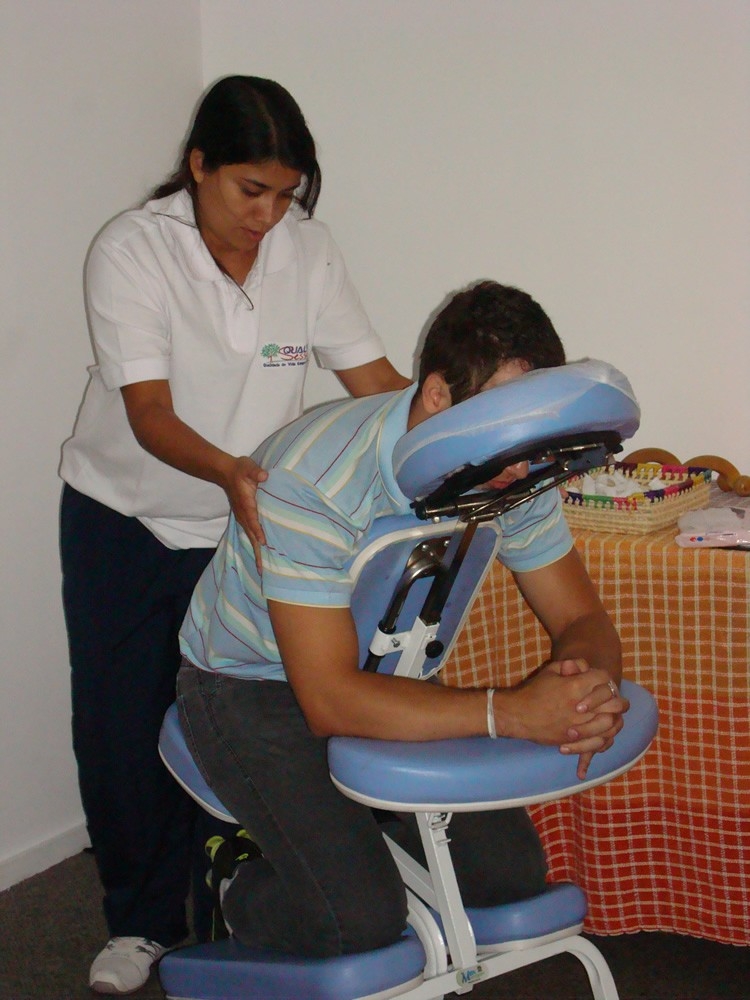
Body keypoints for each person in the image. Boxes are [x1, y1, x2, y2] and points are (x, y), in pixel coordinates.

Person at [59, 75, 410, 995]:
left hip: (244, 525)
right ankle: (139, 923)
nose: (268, 215)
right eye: (251, 190)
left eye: (285, 195)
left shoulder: (307, 252)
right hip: (127, 520)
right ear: (199, 165)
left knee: (241, 718)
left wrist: (452, 446)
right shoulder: (134, 249)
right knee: (123, 725)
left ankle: (232, 888)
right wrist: (230, 472)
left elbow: (373, 381)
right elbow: (148, 413)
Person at [176, 280, 629, 958]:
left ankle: (350, 845)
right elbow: (328, 699)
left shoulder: (512, 464)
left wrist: (589, 691)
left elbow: (580, 616)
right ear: (438, 395)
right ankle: (234, 879)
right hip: (250, 686)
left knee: (506, 878)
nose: (521, 462)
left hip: (387, 671)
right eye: (500, 422)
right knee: (358, 921)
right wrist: (511, 713)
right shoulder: (310, 478)